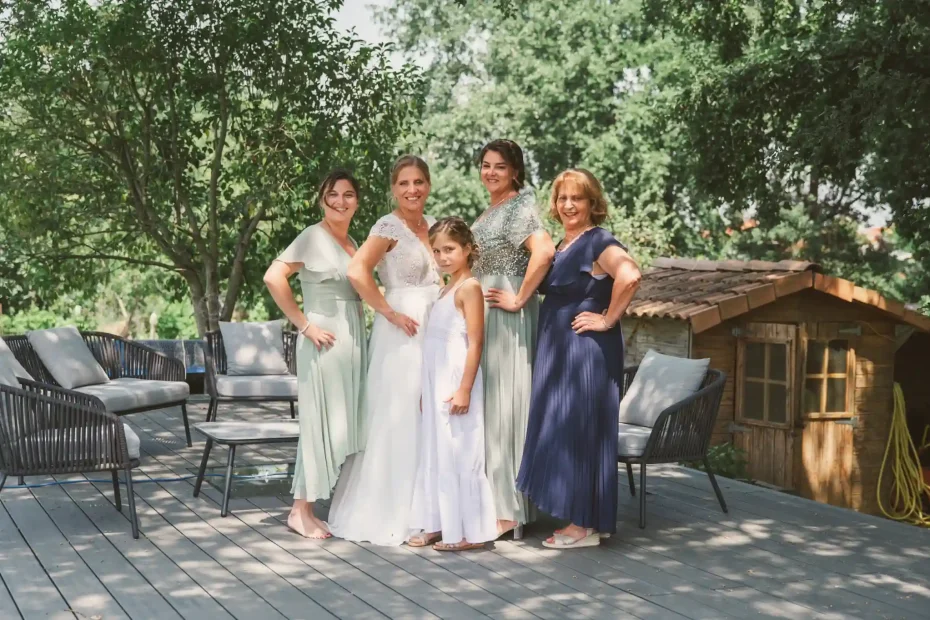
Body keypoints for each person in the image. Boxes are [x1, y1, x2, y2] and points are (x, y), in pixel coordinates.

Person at [516, 168, 641, 548]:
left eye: (578, 198)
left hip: (584, 353)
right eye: (562, 198)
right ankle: (587, 519)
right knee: (566, 430)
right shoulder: (564, 244)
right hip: (561, 352)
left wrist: (608, 319)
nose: (569, 205)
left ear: (592, 203)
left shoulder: (598, 241)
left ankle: (583, 526)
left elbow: (631, 275)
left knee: (579, 431)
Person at [326, 155, 442, 546]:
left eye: (419, 182)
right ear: (393, 189)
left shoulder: (434, 226)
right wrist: (389, 312)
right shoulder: (387, 226)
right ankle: (396, 513)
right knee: (401, 415)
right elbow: (357, 271)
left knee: (432, 415)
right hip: (402, 331)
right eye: (404, 183)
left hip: (437, 328)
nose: (412, 190)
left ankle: (431, 511)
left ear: (428, 185)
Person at [263, 168, 367, 539]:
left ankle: (320, 502)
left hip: (353, 340)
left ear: (357, 200)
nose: (341, 201)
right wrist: (304, 325)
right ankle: (299, 510)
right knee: (318, 422)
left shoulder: (353, 241)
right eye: (333, 194)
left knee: (344, 422)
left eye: (348, 194)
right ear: (322, 198)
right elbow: (273, 278)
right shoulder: (312, 236)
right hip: (324, 339)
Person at [470, 139, 555, 538]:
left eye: (499, 167)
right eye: (485, 165)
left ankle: (508, 510)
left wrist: (520, 298)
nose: (490, 172)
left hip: (506, 315)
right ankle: (495, 501)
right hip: (486, 311)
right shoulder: (494, 208)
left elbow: (544, 251)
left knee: (505, 403)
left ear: (515, 171)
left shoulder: (520, 207)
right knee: (489, 405)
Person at [409, 217, 498, 551]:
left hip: (457, 380)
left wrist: (464, 388)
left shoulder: (470, 288)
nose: (443, 257)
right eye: (437, 251)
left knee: (458, 450)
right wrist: (424, 388)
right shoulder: (445, 288)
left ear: (467, 250)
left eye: (450, 249)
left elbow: (475, 342)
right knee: (436, 449)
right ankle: (438, 521)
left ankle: (467, 530)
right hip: (436, 381)